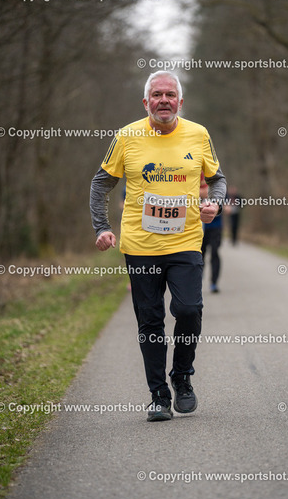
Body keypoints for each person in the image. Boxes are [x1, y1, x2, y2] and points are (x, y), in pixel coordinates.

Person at [90, 71, 226, 422]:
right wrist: (102, 227)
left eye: (169, 94)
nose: (163, 100)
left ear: (180, 101)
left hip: (185, 241)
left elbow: (217, 179)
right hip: (140, 246)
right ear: (145, 101)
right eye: (156, 94)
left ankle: (182, 376)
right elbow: (100, 184)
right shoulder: (127, 136)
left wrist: (215, 203)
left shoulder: (198, 134)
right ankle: (158, 395)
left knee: (189, 310)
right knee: (150, 322)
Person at [200, 173, 223, 293]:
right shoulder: (194, 180)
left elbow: (223, 199)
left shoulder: (218, 183)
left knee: (214, 253)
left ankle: (214, 282)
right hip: (199, 227)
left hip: (215, 226)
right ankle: (198, 280)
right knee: (200, 255)